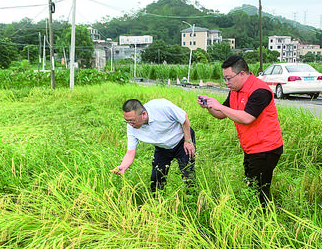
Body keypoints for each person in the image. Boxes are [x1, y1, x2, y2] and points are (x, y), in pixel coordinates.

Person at [197, 55, 283, 207]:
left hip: (266, 148)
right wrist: (210, 106)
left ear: (242, 73)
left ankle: (264, 221)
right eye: (224, 79)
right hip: (251, 147)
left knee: (259, 191)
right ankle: (257, 216)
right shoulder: (235, 90)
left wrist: (220, 106)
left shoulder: (260, 91)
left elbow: (247, 118)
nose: (226, 83)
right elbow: (222, 114)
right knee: (251, 186)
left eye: (229, 78)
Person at [112, 98, 196, 193]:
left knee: (188, 173)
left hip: (181, 140)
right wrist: (123, 166)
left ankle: (191, 200)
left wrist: (188, 140)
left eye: (132, 121)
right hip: (162, 147)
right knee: (156, 177)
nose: (130, 124)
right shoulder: (131, 127)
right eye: (127, 121)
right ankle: (156, 201)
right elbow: (130, 152)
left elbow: (184, 118)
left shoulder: (161, 107)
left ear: (143, 114)